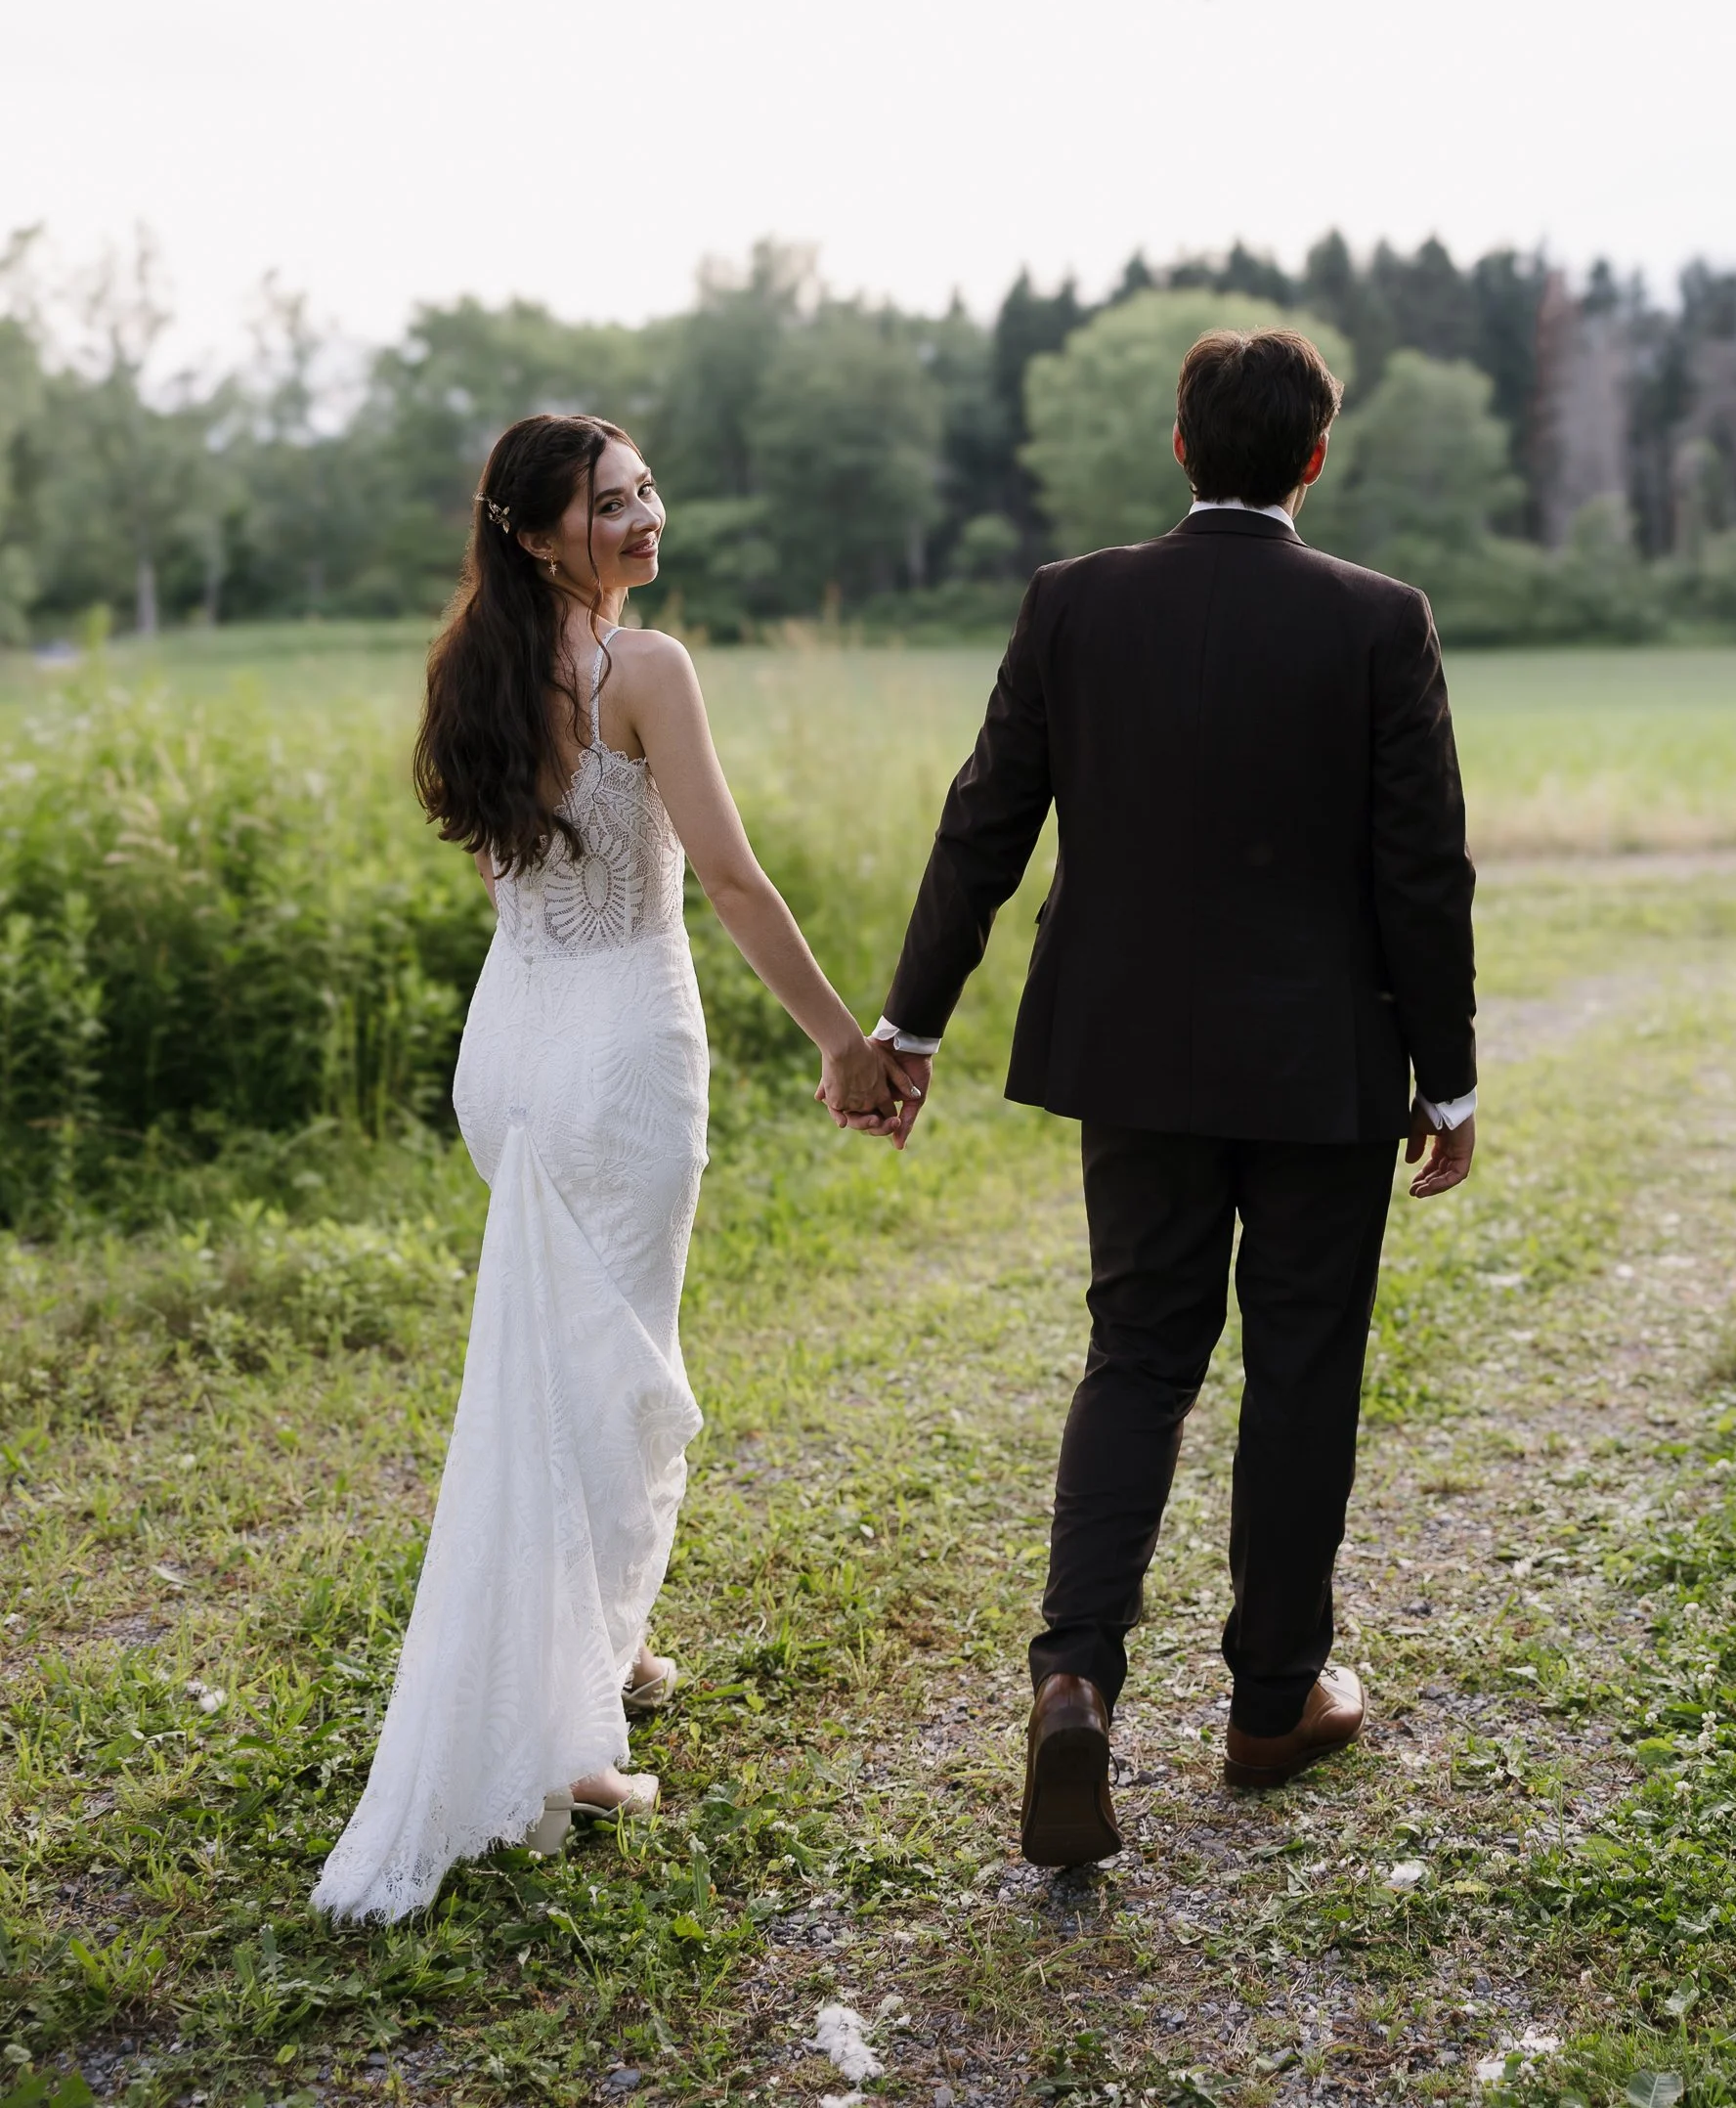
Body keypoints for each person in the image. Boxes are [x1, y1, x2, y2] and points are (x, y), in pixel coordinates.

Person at [871, 328, 1478, 1866]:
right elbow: (1423, 871)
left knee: (1137, 1356)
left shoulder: (1074, 604)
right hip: (1327, 1064)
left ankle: (1075, 1675)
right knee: (1301, 1369)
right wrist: (1452, 1077)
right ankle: (1273, 1702)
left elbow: (984, 823)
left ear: (1180, 445)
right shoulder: (1378, 622)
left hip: (1133, 1057)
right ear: (1314, 459)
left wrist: (909, 1021)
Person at [314, 413, 909, 1922]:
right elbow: (726, 876)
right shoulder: (646, 672)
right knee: (617, 1374)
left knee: (568, 1357)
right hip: (622, 1058)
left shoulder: (475, 666)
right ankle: (574, 1742)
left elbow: (519, 871)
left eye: (646, 491)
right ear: (534, 532)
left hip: (506, 1049)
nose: (644, 520)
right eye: (607, 505)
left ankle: (614, 1645)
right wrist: (848, 1043)